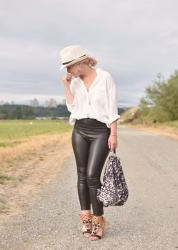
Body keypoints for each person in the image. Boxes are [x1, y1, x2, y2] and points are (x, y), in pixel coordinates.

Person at [59, 45, 120, 241]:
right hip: (80, 129)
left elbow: (112, 109)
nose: (69, 71)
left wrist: (113, 134)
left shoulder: (105, 77)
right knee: (82, 175)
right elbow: (72, 107)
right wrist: (66, 85)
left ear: (81, 62)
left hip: (100, 131)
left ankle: (98, 220)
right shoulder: (75, 82)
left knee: (93, 176)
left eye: (70, 66)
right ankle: (85, 218)